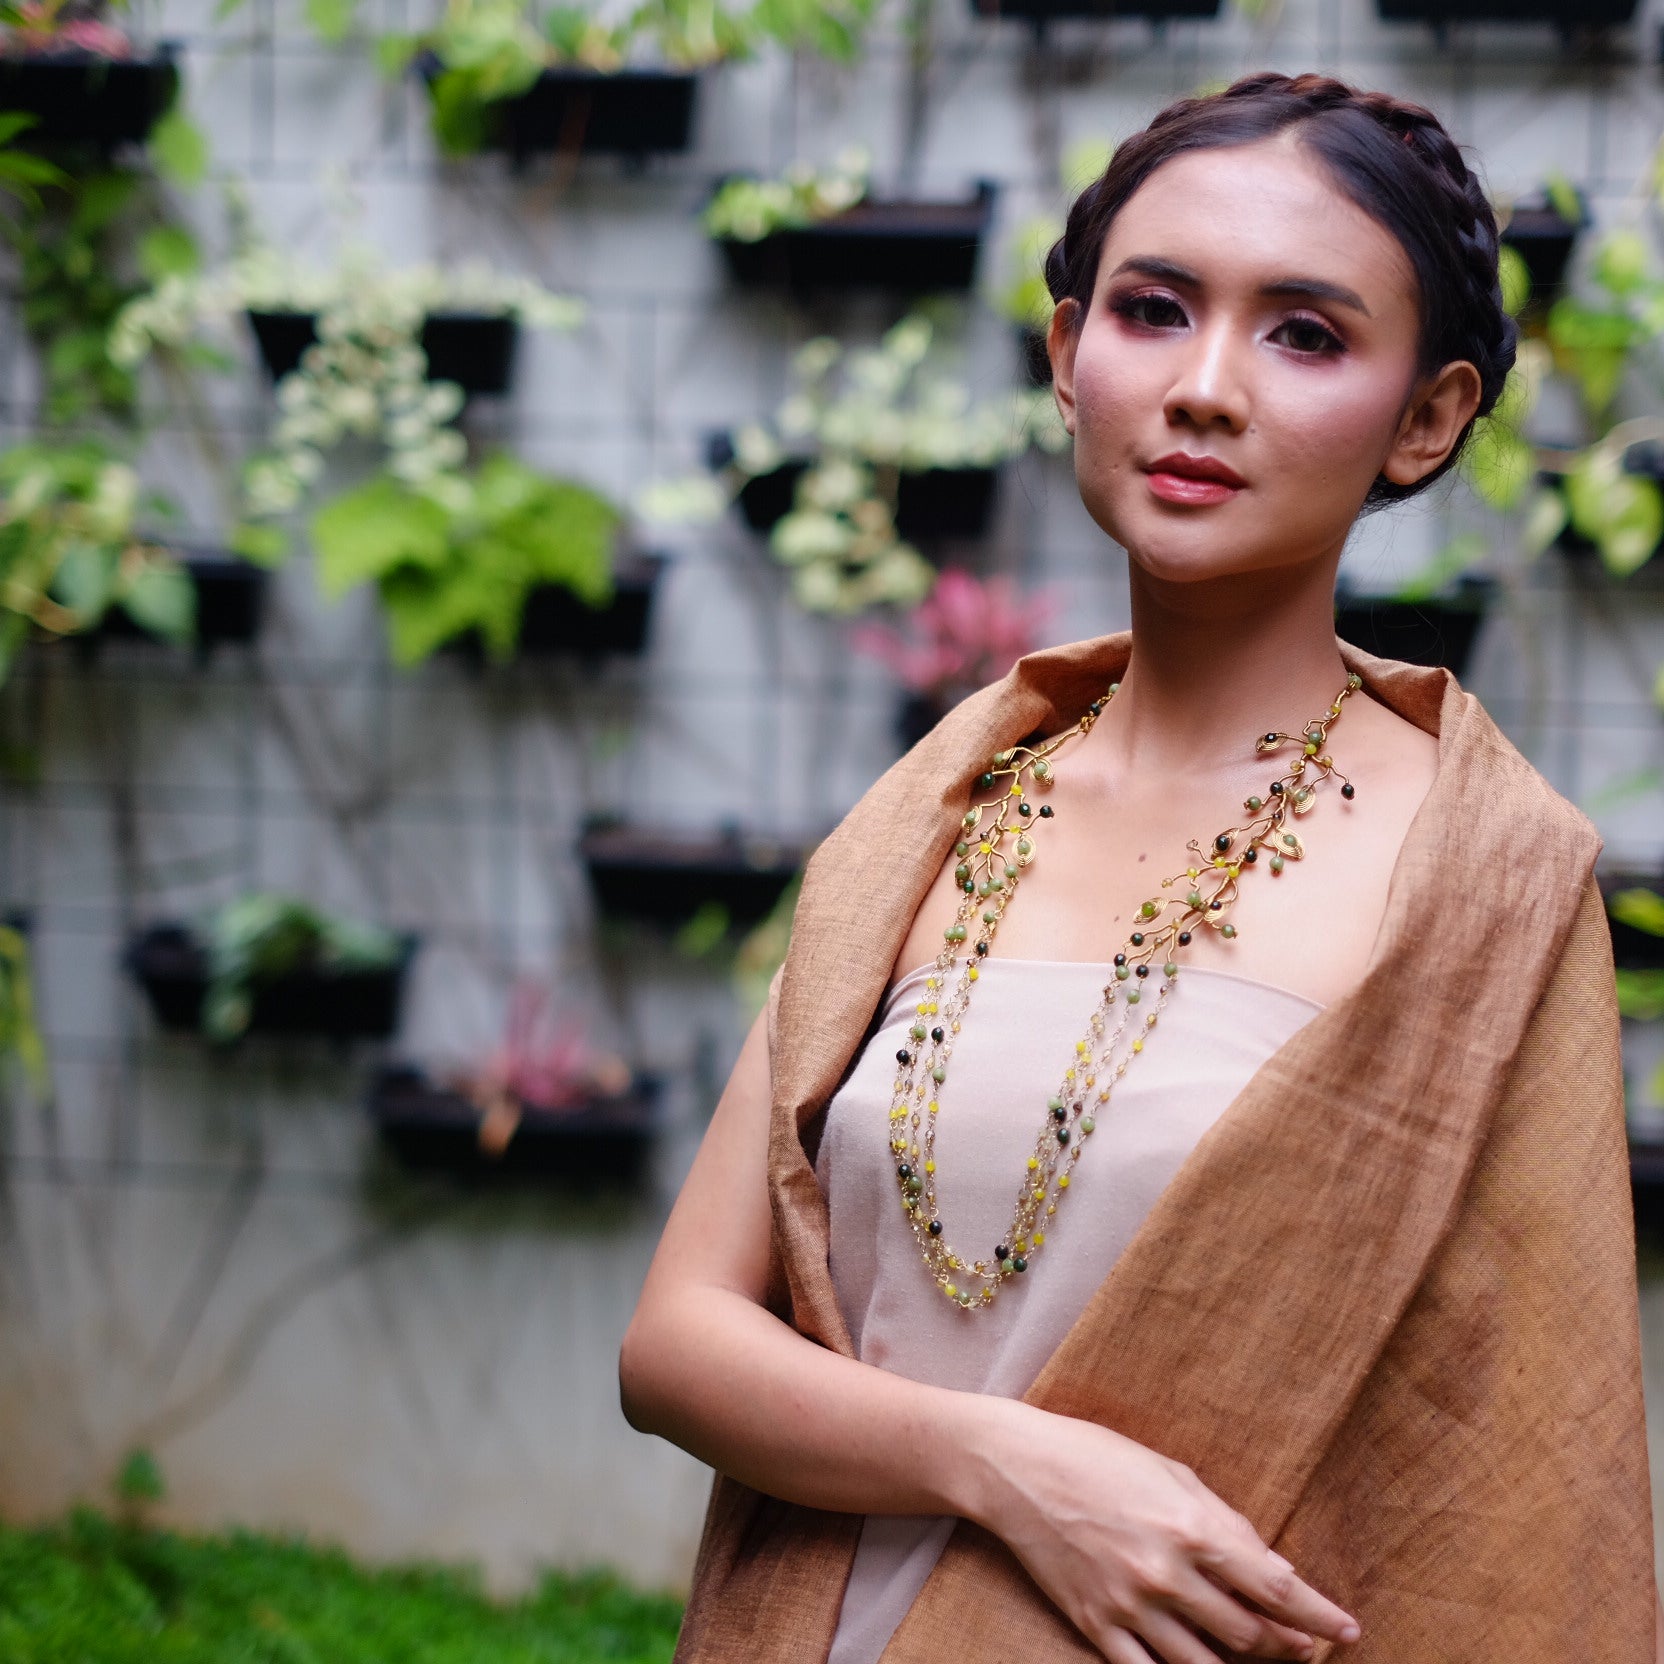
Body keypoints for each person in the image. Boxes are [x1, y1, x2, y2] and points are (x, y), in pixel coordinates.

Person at [620, 72, 1660, 1662]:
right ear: (1066, 355)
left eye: (1304, 334)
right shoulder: (935, 815)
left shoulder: (1481, 883)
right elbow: (677, 1344)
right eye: (1154, 310)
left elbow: (1511, 1480)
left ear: (1429, 417)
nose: (1205, 387)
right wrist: (1010, 1467)